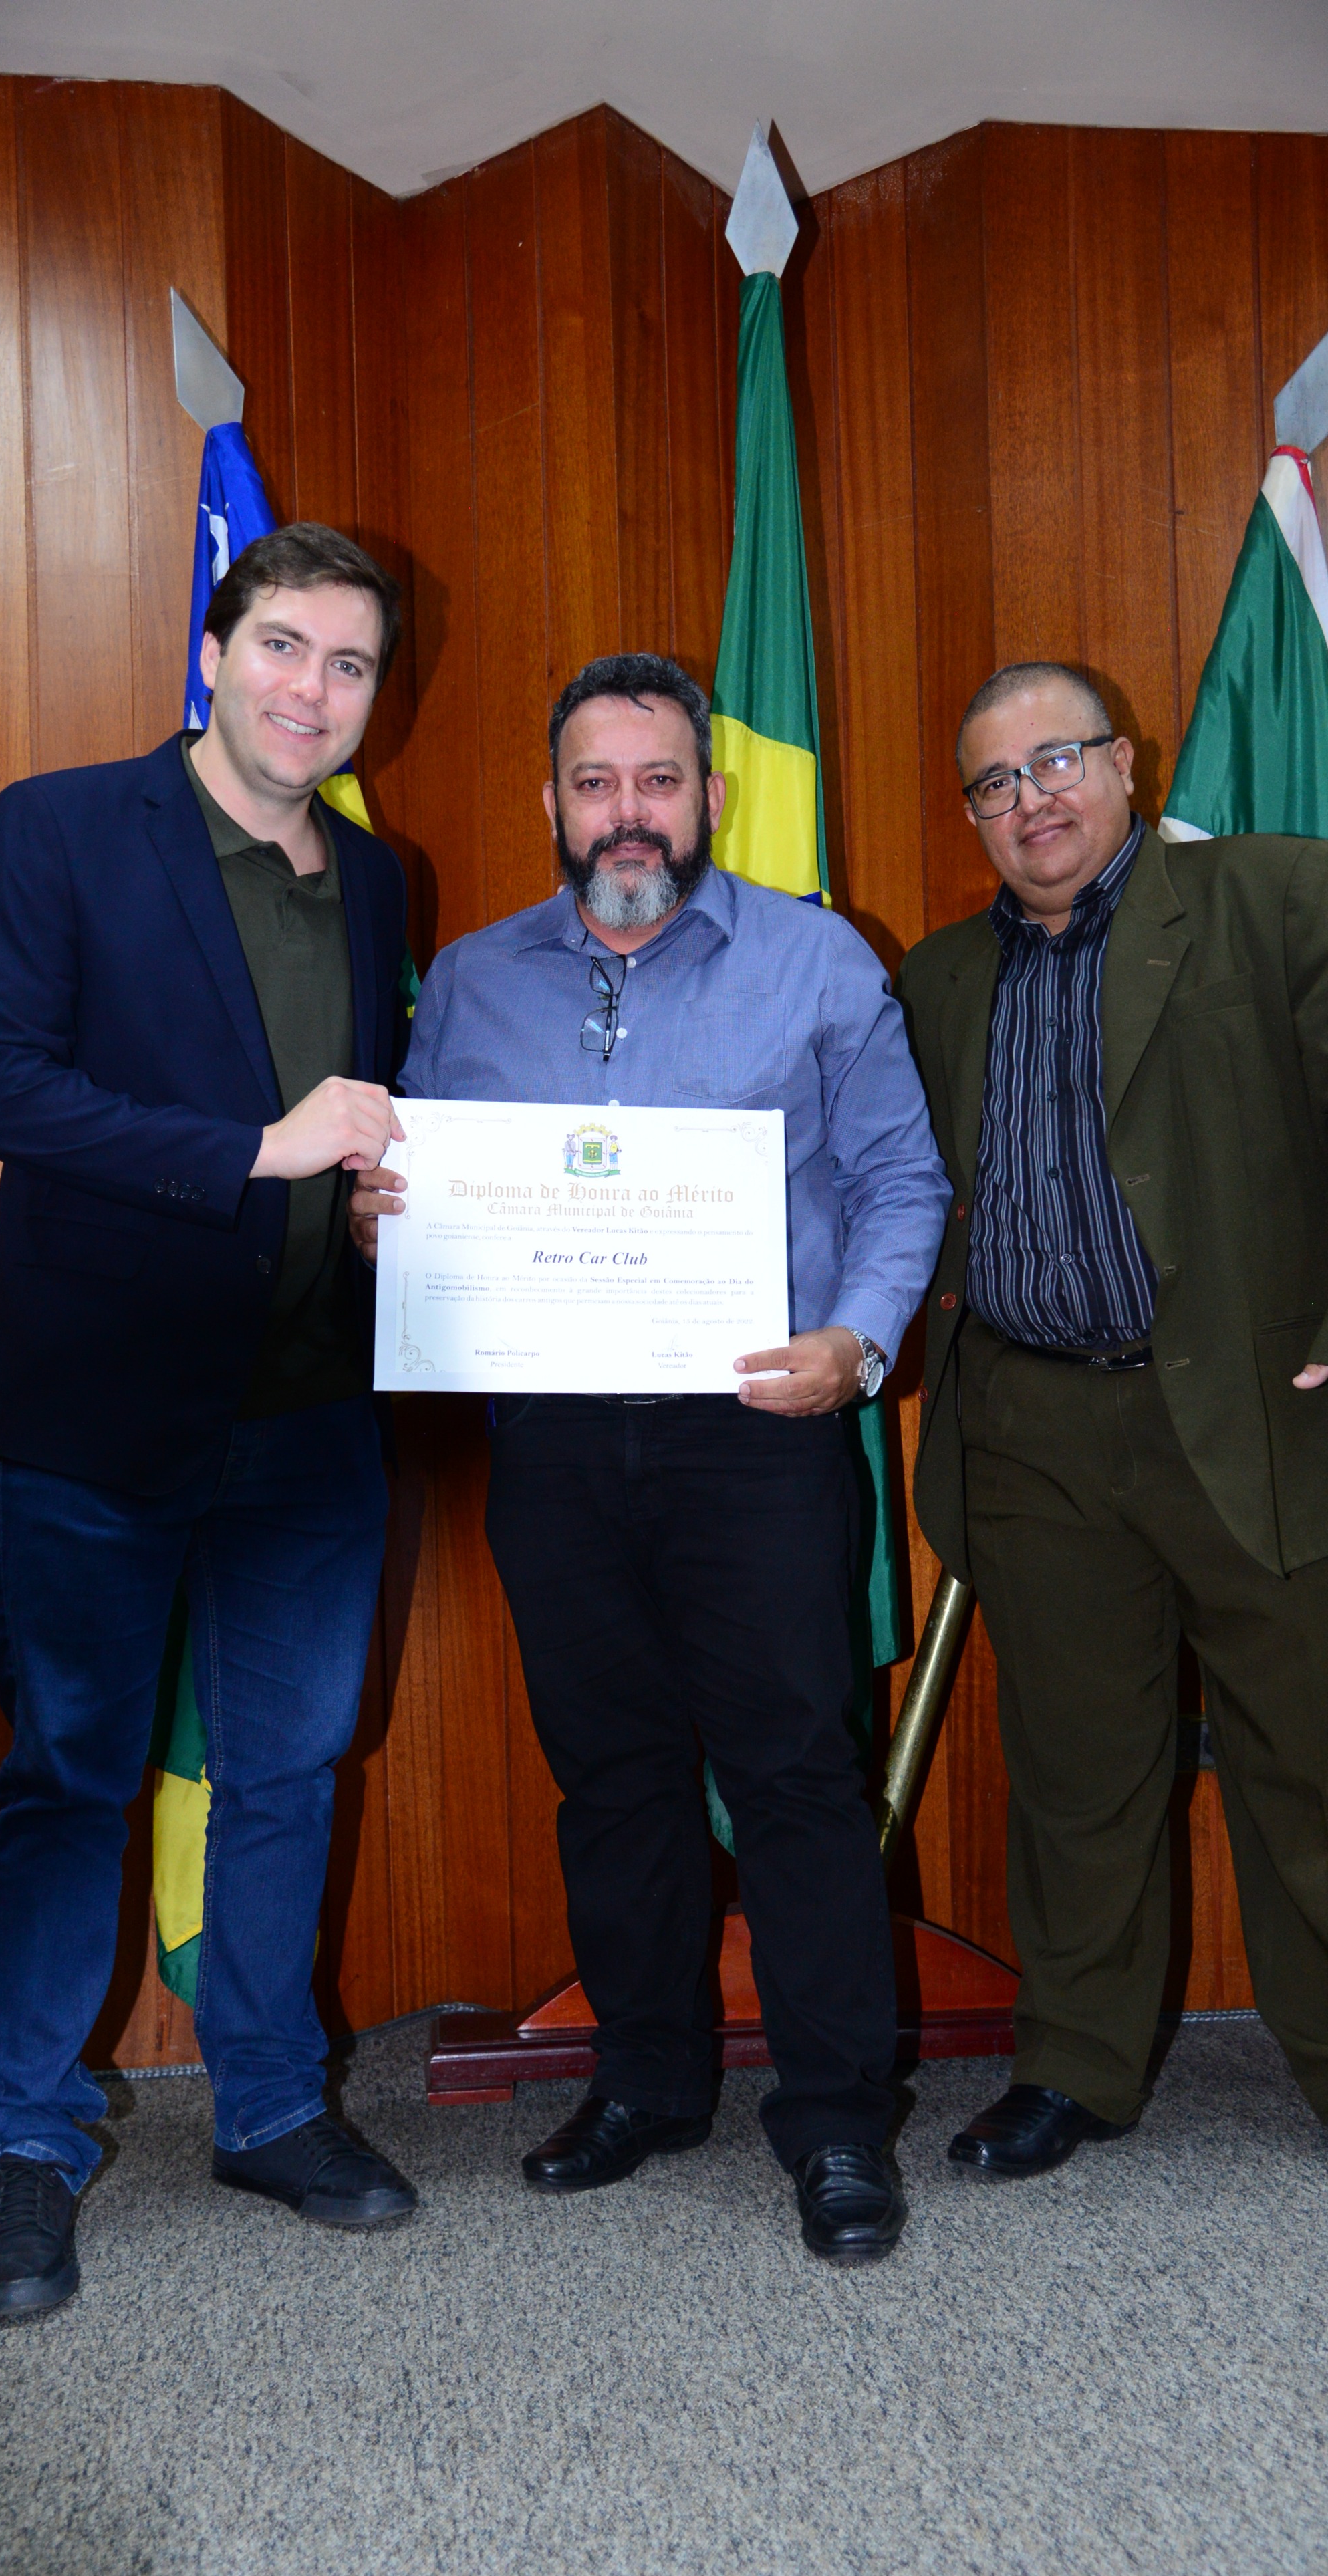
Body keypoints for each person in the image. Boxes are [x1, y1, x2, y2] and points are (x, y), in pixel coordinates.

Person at [354, 652, 949, 2261]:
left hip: (757, 1431)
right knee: (611, 1772)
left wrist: (857, 1340)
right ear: (551, 801)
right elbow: (422, 1187)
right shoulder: (469, 981)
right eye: (597, 781)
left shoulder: (817, 960)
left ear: (710, 797)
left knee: (795, 1773)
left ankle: (835, 2118)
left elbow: (902, 1182)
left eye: (660, 781)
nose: (630, 812)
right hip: (552, 1441)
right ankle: (648, 2079)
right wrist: (386, 1225)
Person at [894, 660, 1328, 2200]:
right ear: (973, 817)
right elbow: (890, 1183)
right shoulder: (939, 980)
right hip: (1030, 1426)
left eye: (1056, 760)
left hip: (1257, 1412)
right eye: (994, 783)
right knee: (1073, 1775)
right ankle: (1071, 2064)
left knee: (1319, 1765)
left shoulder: (1269, 897)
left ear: (1126, 764)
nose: (1031, 799)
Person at [0, 523, 417, 2323]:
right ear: (214, 650)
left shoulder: (378, 878)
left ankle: (273, 2107)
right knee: (70, 1777)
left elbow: (360, 1118)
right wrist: (255, 1153)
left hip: (310, 1418)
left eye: (350, 664)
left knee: (289, 1770)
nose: (312, 689)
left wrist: (363, 1203)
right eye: (283, 645)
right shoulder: (57, 826)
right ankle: (30, 2141)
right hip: (103, 1411)